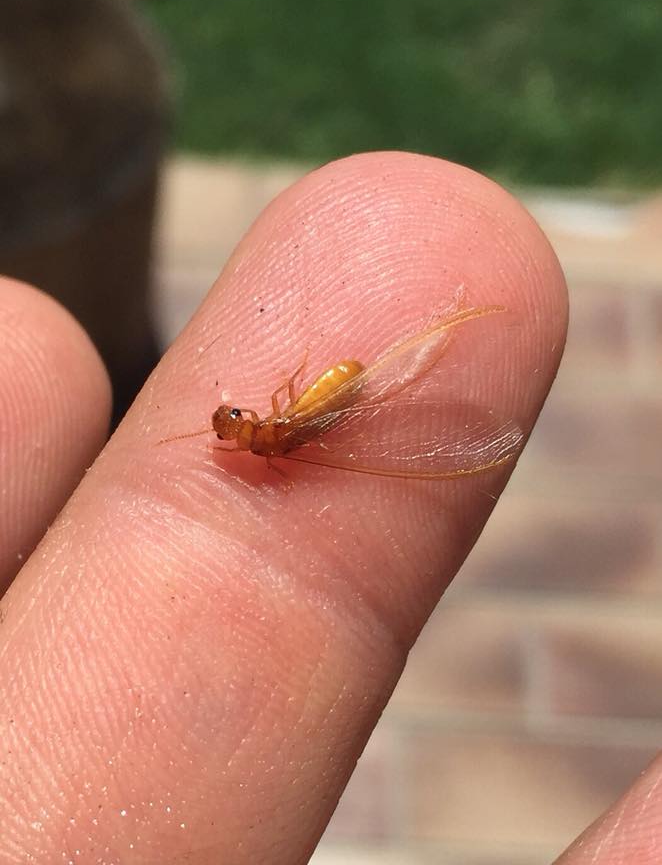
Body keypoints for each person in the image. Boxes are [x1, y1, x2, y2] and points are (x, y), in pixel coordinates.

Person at [0, 153, 651, 863]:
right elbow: (279, 407)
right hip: (332, 394)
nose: (238, 424)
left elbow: (277, 414)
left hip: (335, 394)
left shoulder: (274, 442)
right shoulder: (276, 436)